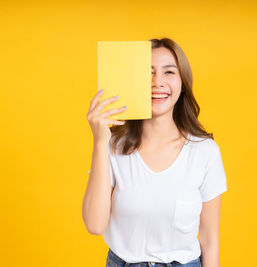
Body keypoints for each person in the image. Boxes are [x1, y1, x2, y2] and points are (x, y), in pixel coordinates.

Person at [83, 38, 228, 267]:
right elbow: (94, 224)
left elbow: (210, 242)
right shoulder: (113, 148)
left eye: (169, 72)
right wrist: (100, 141)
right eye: (148, 73)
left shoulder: (204, 152)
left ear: (182, 82)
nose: (157, 82)